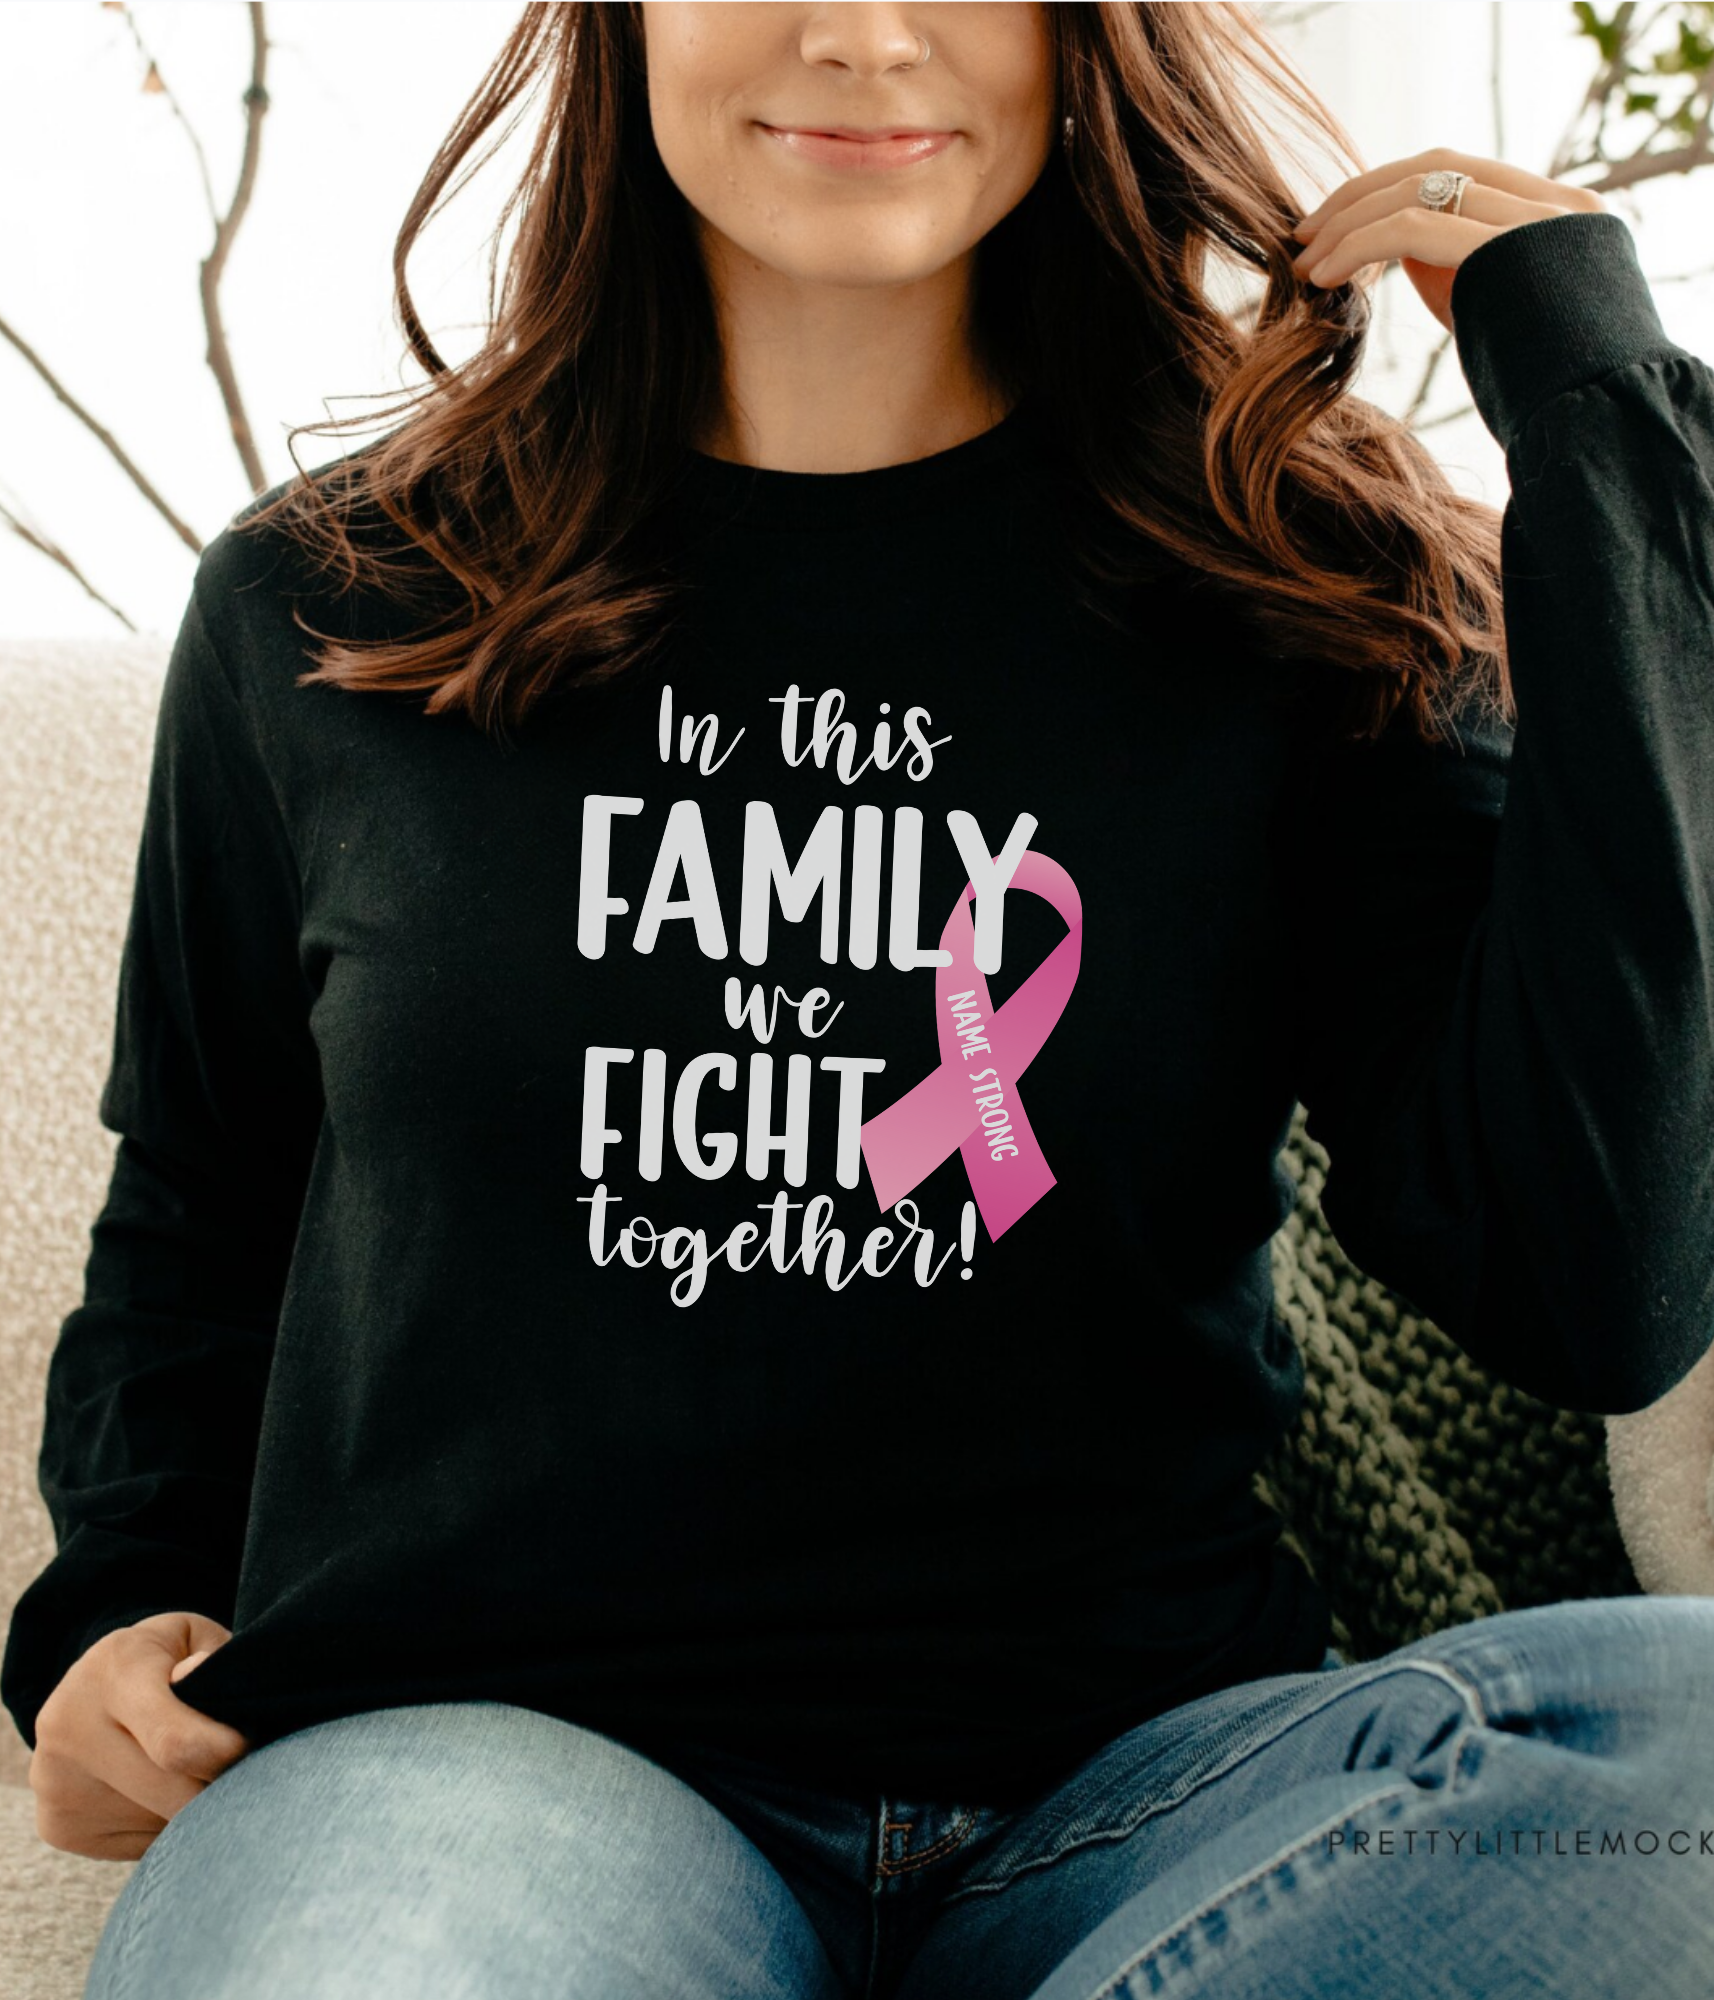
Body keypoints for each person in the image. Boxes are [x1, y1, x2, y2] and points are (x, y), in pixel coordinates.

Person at [6, 3, 1714, 1995]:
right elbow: (205, 1207)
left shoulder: (1288, 598)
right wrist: (106, 1609)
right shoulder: (342, 604)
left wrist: (1598, 409)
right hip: (496, 1775)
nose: (858, 33)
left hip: (1150, 1813)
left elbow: (1599, 1268)